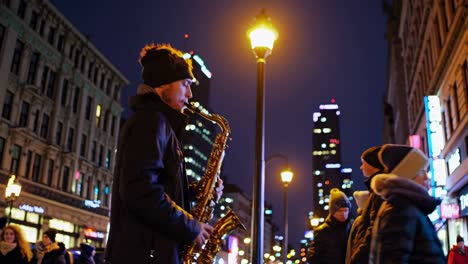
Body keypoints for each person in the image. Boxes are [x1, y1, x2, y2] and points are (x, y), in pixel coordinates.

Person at [104, 43, 222, 264]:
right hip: (146, 255)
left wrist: (201, 191)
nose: (190, 93)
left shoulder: (159, 123)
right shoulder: (151, 121)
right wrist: (191, 227)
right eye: (185, 84)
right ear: (163, 85)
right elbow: (141, 192)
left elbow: (158, 185)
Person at [369, 144, 445, 263]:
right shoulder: (400, 208)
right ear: (408, 175)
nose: (426, 177)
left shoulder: (406, 206)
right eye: (421, 171)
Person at [346, 146, 385, 264]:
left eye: (364, 163)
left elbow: (372, 229)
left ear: (373, 164)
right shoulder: (376, 189)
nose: (361, 167)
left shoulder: (380, 191)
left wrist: (357, 257)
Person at [307, 188, 352, 264]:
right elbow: (313, 258)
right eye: (340, 211)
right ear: (332, 211)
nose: (343, 214)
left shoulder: (352, 228)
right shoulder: (322, 231)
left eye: (346, 210)